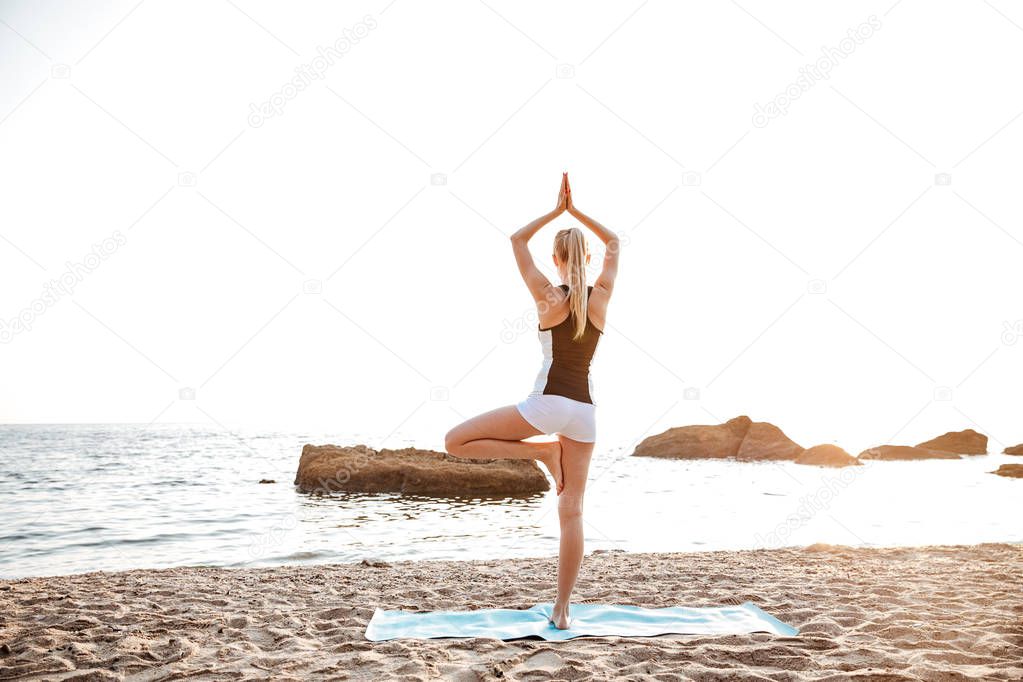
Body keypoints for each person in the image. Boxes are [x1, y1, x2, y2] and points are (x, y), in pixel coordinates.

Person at [444, 172, 620, 629]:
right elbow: (616, 243)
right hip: (585, 414)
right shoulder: (599, 298)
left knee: (455, 442)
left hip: (547, 406)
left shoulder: (549, 296)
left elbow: (518, 240)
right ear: (587, 257)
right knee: (573, 510)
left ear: (558, 259)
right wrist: (577, 213)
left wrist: (557, 210)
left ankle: (542, 452)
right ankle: (562, 610)